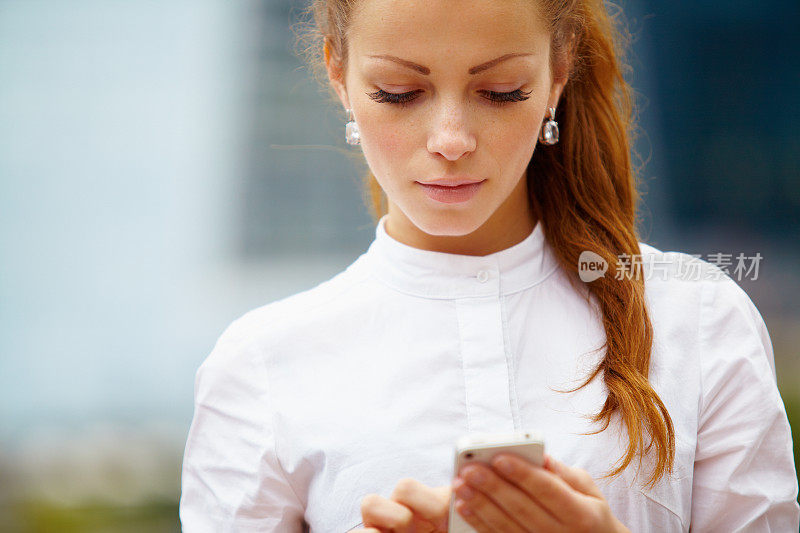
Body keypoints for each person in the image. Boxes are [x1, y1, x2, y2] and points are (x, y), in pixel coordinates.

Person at [178, 0, 800, 531]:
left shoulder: (698, 319)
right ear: (338, 74)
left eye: (501, 92)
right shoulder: (261, 365)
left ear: (558, 74)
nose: (451, 139)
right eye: (400, 92)